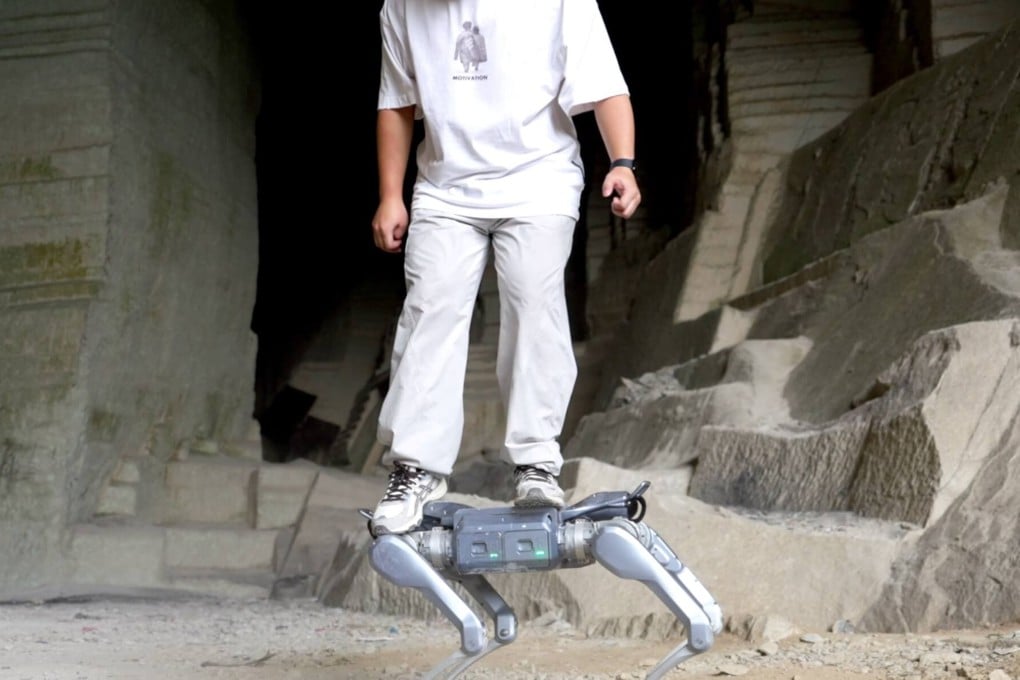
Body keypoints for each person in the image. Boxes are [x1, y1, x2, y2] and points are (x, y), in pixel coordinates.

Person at [369, 0, 641, 536]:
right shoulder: (402, 7)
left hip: (539, 180)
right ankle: (416, 468)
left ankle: (536, 463)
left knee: (533, 303)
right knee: (430, 310)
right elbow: (397, 103)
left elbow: (605, 84)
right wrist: (390, 195)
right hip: (446, 188)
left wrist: (623, 164)